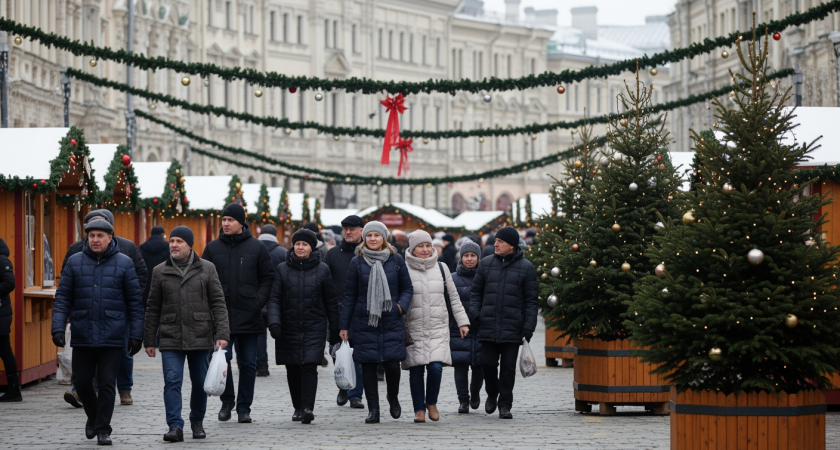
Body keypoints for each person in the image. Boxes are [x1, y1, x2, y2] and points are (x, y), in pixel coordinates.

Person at [52, 218, 144, 445]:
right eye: (91, 235)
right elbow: (63, 297)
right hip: (83, 332)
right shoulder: (75, 262)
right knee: (82, 382)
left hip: (112, 333)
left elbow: (134, 301)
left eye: (100, 236)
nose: (95, 240)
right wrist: (58, 327)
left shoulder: (124, 263)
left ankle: (104, 429)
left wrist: (136, 334)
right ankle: (93, 417)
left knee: (106, 383)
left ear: (110, 237)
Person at [144, 226, 230, 442]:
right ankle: (175, 426)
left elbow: (218, 303)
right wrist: (148, 340)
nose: (174, 244)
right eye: (172, 240)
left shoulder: (207, 269)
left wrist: (222, 333)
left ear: (190, 245)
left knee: (200, 381)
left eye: (179, 241)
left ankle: (197, 422)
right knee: (172, 381)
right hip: (171, 335)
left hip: (200, 334)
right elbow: (152, 307)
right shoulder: (159, 271)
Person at [201, 203, 274, 424]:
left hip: (249, 314)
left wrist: (258, 301)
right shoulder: (212, 248)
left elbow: (268, 277)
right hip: (221, 317)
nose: (226, 224)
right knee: (223, 360)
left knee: (249, 363)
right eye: (223, 220)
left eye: (230, 220)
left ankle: (244, 407)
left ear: (241, 223)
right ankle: (227, 401)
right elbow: (202, 277)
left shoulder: (256, 247)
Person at [339, 221, 413, 424]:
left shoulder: (396, 259)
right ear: (365, 238)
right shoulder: (357, 262)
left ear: (384, 238)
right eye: (369, 235)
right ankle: (374, 410)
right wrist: (344, 326)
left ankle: (393, 397)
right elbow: (350, 295)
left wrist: (400, 307)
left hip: (391, 319)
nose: (372, 239)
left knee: (392, 365)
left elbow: (407, 288)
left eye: (377, 235)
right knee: (369, 366)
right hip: (365, 321)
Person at [268, 229, 340, 424]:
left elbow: (331, 302)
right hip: (288, 325)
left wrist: (335, 331)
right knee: (292, 368)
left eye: (305, 244)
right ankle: (297, 407)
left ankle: (308, 407)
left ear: (312, 247)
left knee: (309, 366)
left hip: (314, 325)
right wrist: (274, 321)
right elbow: (274, 298)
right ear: (293, 246)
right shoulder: (282, 269)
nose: (301, 247)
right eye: (298, 244)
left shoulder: (323, 269)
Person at [469, 226, 538, 419]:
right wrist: (475, 314)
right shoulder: (486, 264)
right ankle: (492, 393)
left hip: (512, 327)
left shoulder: (527, 268)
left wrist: (528, 327)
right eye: (496, 240)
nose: (495, 244)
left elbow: (531, 301)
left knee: (508, 369)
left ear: (512, 246)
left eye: (500, 241)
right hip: (487, 324)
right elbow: (476, 293)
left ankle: (505, 404)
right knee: (488, 365)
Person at [402, 231, 470, 423]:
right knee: (416, 370)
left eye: (427, 246)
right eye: (420, 246)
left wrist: (462, 321)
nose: (425, 250)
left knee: (435, 368)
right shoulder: (403, 268)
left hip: (437, 326)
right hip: (413, 326)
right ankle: (419, 409)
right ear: (412, 248)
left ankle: (431, 402)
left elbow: (453, 297)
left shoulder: (441, 268)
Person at [324, 215, 365, 409]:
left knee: (359, 354)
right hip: (337, 311)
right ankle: (343, 386)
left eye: (352, 229)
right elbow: (324, 281)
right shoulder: (332, 254)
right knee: (337, 352)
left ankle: (356, 394)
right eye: (345, 229)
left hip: (361, 311)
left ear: (361, 231)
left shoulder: (367, 253)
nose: (348, 232)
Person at [449, 241, 484, 413]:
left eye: (473, 256)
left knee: (479, 366)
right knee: (460, 366)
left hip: (480, 328)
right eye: (466, 256)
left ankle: (475, 393)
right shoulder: (453, 278)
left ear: (478, 258)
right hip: (459, 328)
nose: (469, 259)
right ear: (461, 258)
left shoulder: (485, 276)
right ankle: (463, 400)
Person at [256, 224, 287, 377]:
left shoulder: (254, 250)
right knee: (283, 332)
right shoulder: (283, 252)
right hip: (279, 300)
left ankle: (262, 366)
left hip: (258, 299)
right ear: (275, 235)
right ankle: (289, 362)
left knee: (259, 335)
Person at [0, 238, 20, 402]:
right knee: (5, 350)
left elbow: (9, 283)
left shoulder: (2, 260)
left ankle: (14, 389)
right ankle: (14, 389)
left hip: (1, 312)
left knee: (5, 350)